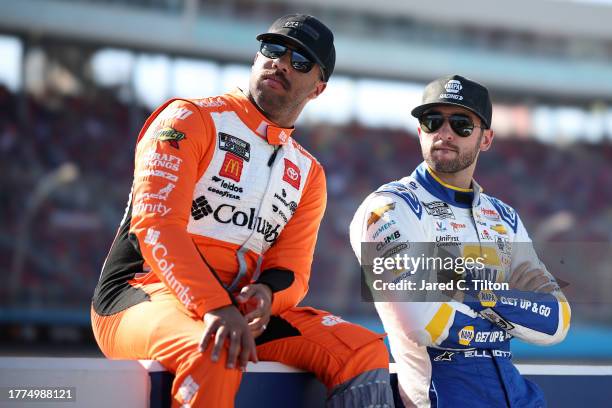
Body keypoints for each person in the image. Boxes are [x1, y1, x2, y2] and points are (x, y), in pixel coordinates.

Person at [92, 14, 393, 408]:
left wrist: (267, 295)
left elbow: (293, 273)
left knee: (362, 351)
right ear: (256, 57)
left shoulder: (308, 173)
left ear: (318, 88)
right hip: (143, 293)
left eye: (300, 61)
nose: (281, 63)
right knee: (215, 348)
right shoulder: (189, 119)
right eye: (273, 49)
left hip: (237, 312)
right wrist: (214, 307)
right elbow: (156, 228)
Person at [349, 75, 571, 407]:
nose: (445, 132)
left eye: (462, 124)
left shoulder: (504, 217)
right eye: (433, 120)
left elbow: (557, 320)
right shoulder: (389, 208)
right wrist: (506, 314)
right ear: (420, 131)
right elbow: (417, 318)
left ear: (486, 139)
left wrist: (478, 296)